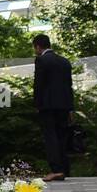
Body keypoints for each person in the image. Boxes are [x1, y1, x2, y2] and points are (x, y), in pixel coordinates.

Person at [32, 34, 74, 180]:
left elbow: (39, 84)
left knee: (50, 137)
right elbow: (69, 86)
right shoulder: (64, 61)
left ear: (38, 46)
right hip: (64, 105)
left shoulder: (41, 60)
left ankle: (55, 169)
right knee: (62, 136)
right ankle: (64, 169)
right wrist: (70, 108)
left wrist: (37, 104)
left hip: (47, 106)